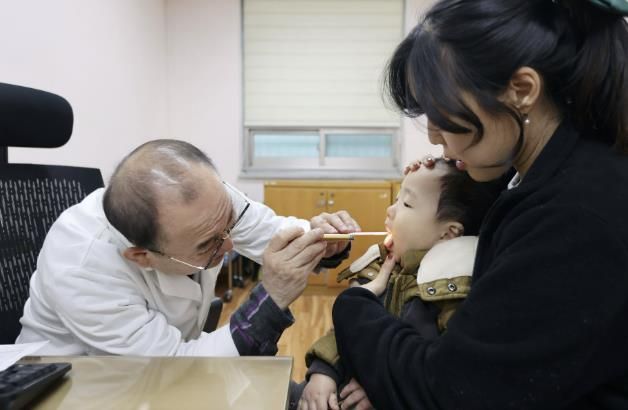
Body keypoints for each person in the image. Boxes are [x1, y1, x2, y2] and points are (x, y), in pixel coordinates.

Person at [331, 0, 628, 409]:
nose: (433, 136)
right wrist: (452, 181)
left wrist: (354, 307)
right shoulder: (554, 169)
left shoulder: (577, 216)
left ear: (521, 91)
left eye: (441, 112)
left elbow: (447, 392)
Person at [16, 139, 358, 356]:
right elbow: (177, 366)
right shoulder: (82, 269)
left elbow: (272, 233)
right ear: (142, 256)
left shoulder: (207, 203)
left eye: (229, 222)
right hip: (82, 386)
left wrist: (324, 241)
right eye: (208, 244)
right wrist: (270, 298)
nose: (230, 244)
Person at [295, 159, 502, 410]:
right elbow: (344, 332)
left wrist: (384, 386)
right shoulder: (380, 266)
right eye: (396, 199)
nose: (390, 210)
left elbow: (443, 372)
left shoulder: (454, 291)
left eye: (407, 204)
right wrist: (323, 372)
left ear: (448, 233)